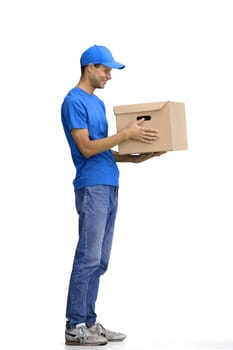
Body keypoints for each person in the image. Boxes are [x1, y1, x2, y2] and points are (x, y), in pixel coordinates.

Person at [61, 44, 164, 346]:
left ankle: (89, 323)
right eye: (106, 69)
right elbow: (86, 148)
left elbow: (102, 147)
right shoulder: (73, 101)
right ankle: (74, 326)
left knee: (100, 260)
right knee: (88, 257)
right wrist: (126, 135)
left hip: (109, 183)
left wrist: (132, 157)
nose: (109, 75)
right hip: (91, 186)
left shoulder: (97, 104)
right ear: (89, 68)